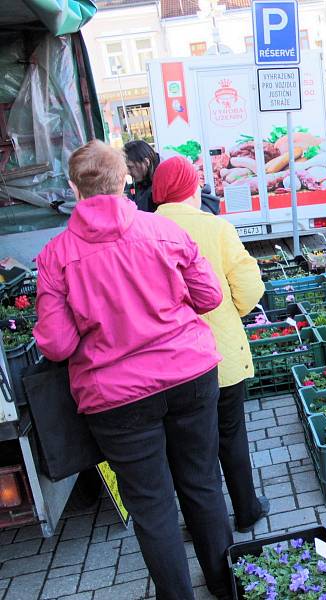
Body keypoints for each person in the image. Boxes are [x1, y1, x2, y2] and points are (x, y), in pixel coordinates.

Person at [33, 140, 232, 599]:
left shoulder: (55, 256)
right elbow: (209, 297)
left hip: (116, 398)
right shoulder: (164, 231)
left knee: (151, 504)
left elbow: (58, 345)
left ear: (73, 187)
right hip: (189, 375)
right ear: (124, 178)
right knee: (201, 482)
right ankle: (225, 585)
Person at [151, 156, 270, 535]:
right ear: (191, 187)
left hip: (168, 360)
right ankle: (246, 509)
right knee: (231, 433)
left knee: (187, 447)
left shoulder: (144, 229)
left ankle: (203, 521)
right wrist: (228, 313)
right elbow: (250, 287)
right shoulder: (215, 228)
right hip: (219, 352)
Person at [123, 139, 159, 212]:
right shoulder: (139, 182)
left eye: (130, 167)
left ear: (146, 162)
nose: (127, 172)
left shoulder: (161, 187)